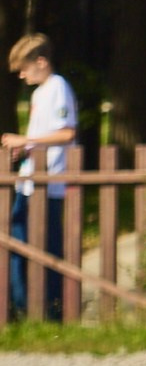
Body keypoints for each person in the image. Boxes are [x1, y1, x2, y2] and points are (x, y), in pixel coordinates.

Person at [5, 34, 77, 322]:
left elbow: (66, 133)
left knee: (44, 252)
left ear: (41, 62)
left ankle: (49, 314)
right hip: (31, 181)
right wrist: (25, 148)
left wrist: (26, 139)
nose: (21, 75)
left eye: (24, 68)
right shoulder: (39, 93)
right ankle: (26, 310)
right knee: (20, 248)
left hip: (48, 185)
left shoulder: (58, 87)